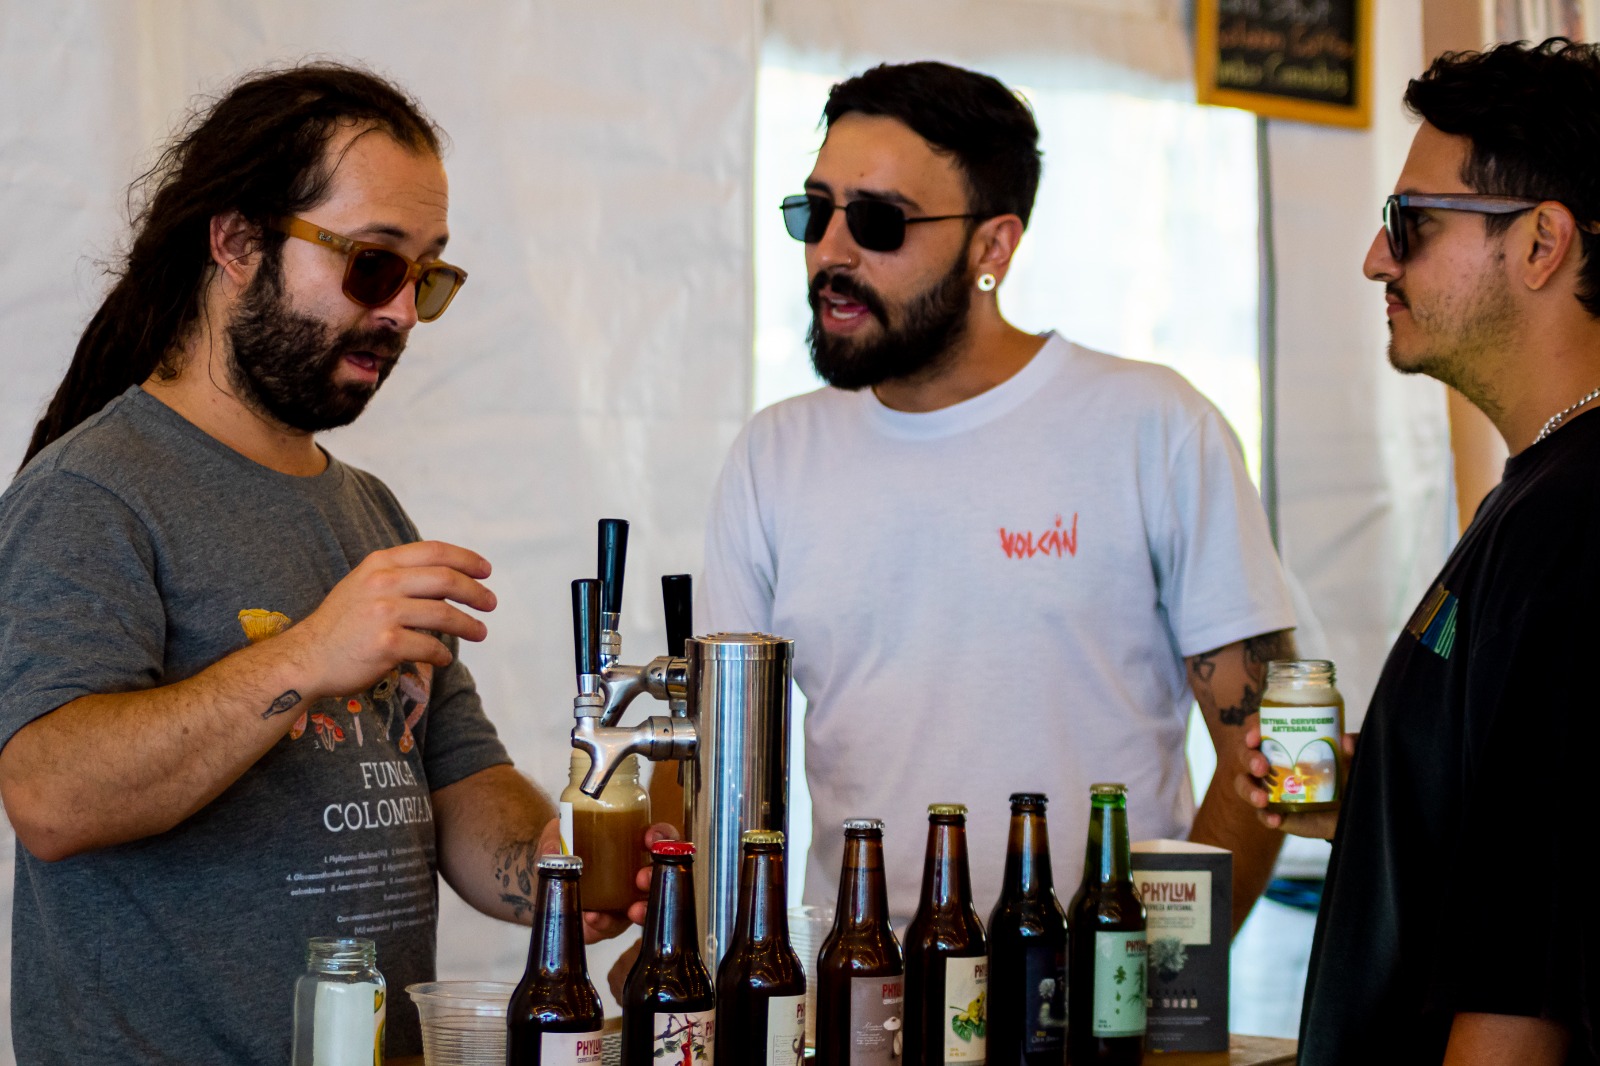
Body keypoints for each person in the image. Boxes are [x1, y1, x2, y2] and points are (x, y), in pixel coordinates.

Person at [0, 64, 654, 1065]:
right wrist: (309, 654)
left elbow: (459, 782)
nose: (399, 313)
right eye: (372, 264)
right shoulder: (93, 491)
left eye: (425, 276)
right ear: (237, 242)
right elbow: (49, 796)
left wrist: (559, 869)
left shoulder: (368, 510)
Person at [692, 61, 1297, 931]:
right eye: (814, 210)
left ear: (993, 247)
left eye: (876, 220)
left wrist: (1159, 986)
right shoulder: (774, 454)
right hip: (856, 997)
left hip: (1086, 1005)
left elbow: (1265, 740)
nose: (830, 250)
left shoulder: (1152, 426)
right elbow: (724, 769)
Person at [1238, 38, 1600, 1065]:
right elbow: (1521, 828)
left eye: (1409, 225)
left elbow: (1525, 971)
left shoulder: (1572, 519)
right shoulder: (1534, 490)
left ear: (1541, 244)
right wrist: (1380, 802)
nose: (1373, 258)